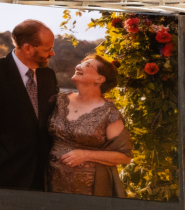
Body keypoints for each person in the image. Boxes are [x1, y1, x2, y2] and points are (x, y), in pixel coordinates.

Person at [0, 19, 59, 190]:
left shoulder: (49, 76)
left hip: (41, 179)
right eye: (48, 49)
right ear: (28, 48)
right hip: (2, 177)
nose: (52, 53)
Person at [47, 56, 131, 196]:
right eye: (80, 63)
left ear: (100, 79)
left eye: (87, 65)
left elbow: (125, 156)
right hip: (50, 181)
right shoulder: (58, 100)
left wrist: (85, 155)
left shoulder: (109, 113)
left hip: (89, 188)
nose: (78, 66)